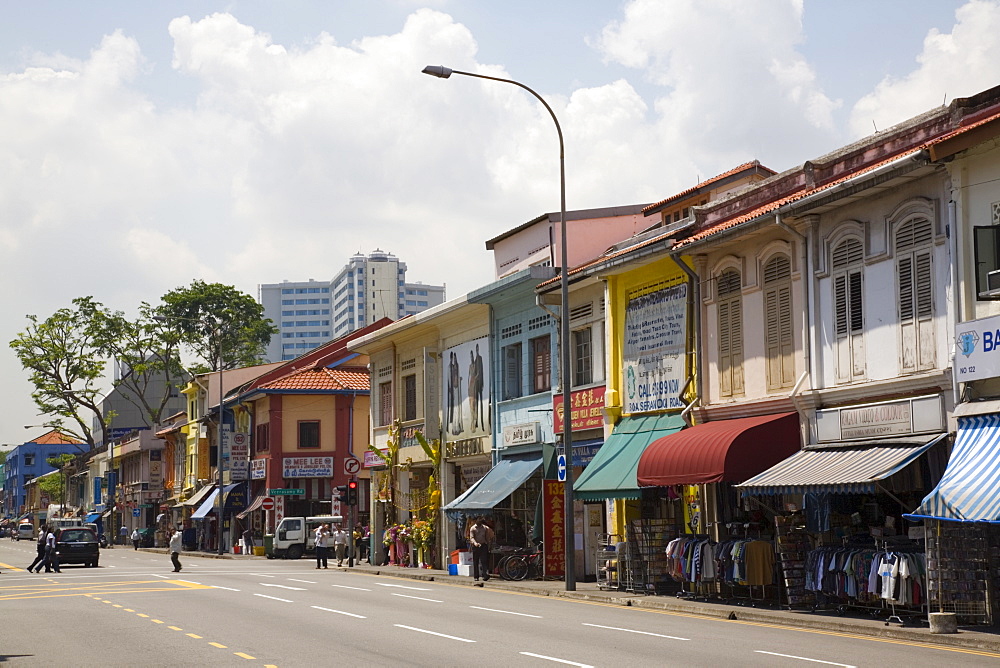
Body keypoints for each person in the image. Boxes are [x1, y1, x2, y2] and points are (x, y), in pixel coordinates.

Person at [468, 516, 494, 582]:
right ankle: (476, 576)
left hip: (483, 545)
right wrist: (475, 543)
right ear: (476, 520)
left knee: (484, 561)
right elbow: (472, 538)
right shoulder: (473, 528)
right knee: (476, 562)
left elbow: (487, 537)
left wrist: (489, 544)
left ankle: (485, 575)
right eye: (479, 520)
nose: (480, 521)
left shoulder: (485, 528)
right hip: (476, 546)